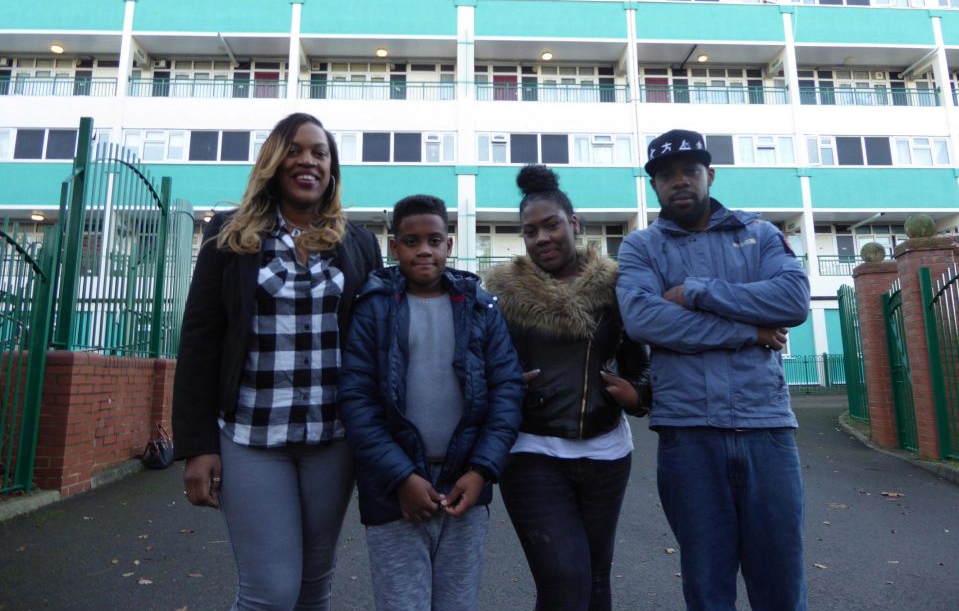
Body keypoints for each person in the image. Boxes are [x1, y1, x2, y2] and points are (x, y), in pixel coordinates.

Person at [172, 112, 382, 611]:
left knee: (314, 589)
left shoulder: (357, 243)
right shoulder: (230, 234)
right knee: (269, 594)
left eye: (320, 153)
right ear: (273, 160)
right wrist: (197, 446)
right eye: (295, 149)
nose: (307, 160)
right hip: (250, 437)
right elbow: (201, 340)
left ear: (332, 169)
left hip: (333, 440)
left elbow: (378, 338)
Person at [616, 128, 811, 611]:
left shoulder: (760, 234)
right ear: (654, 186)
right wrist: (750, 332)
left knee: (781, 583)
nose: (679, 181)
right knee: (706, 584)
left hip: (767, 430)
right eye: (665, 175)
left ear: (710, 174)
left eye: (689, 171)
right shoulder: (641, 248)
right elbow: (644, 319)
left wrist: (698, 292)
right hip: (688, 436)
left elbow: (792, 300)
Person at [337, 194, 525, 611]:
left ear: (449, 245)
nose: (424, 250)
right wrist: (401, 477)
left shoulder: (480, 306)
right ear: (393, 247)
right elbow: (357, 401)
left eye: (434, 240)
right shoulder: (372, 308)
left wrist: (481, 471)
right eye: (411, 241)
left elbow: (507, 389)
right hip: (394, 492)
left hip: (465, 486)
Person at [483, 165, 651, 611]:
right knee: (564, 583)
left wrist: (638, 397)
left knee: (595, 582)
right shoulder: (505, 296)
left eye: (551, 225)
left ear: (574, 224)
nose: (542, 238)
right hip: (531, 452)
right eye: (530, 231)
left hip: (607, 455)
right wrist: (501, 385)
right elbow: (479, 366)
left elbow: (642, 365)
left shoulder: (616, 287)